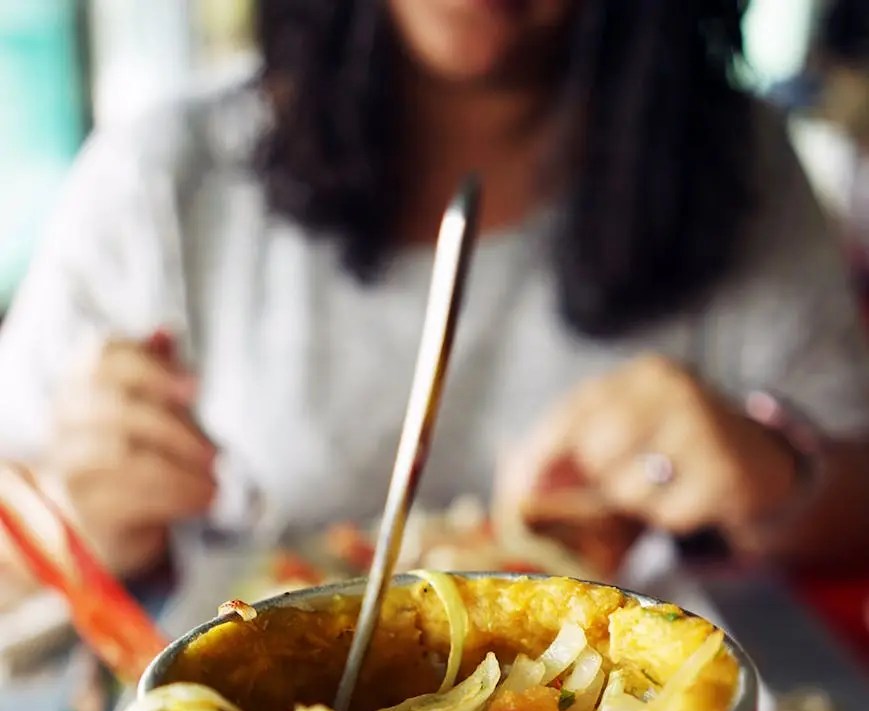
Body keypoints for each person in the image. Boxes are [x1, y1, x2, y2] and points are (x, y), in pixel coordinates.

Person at [1, 0, 868, 588]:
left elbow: (849, 488)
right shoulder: (161, 176)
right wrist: (79, 515)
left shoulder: (731, 163)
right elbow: (18, 504)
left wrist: (773, 475)